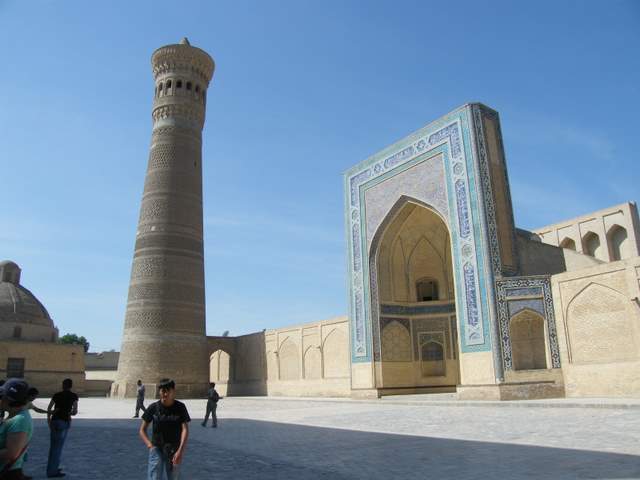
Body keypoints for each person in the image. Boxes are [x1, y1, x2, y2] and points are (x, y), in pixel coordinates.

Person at [140, 379, 190, 480]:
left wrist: (180, 450)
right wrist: (150, 446)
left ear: (173, 391)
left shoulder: (180, 407)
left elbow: (185, 429)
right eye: (163, 391)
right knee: (154, 477)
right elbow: (142, 430)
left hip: (174, 450)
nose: (165, 394)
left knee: (174, 477)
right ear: (159, 392)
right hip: (157, 449)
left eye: (168, 391)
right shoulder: (153, 407)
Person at [0, 379, 33, 480]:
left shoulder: (20, 420)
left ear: (10, 400)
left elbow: (11, 453)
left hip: (8, 474)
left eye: (1, 396)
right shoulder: (14, 416)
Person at [46, 379, 78, 478]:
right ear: (71, 386)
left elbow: (49, 408)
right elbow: (75, 411)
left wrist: (49, 420)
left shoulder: (57, 395)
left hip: (55, 420)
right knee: (58, 448)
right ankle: (52, 471)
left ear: (63, 385)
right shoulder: (74, 396)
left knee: (53, 447)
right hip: (64, 422)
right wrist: (69, 413)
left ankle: (53, 467)